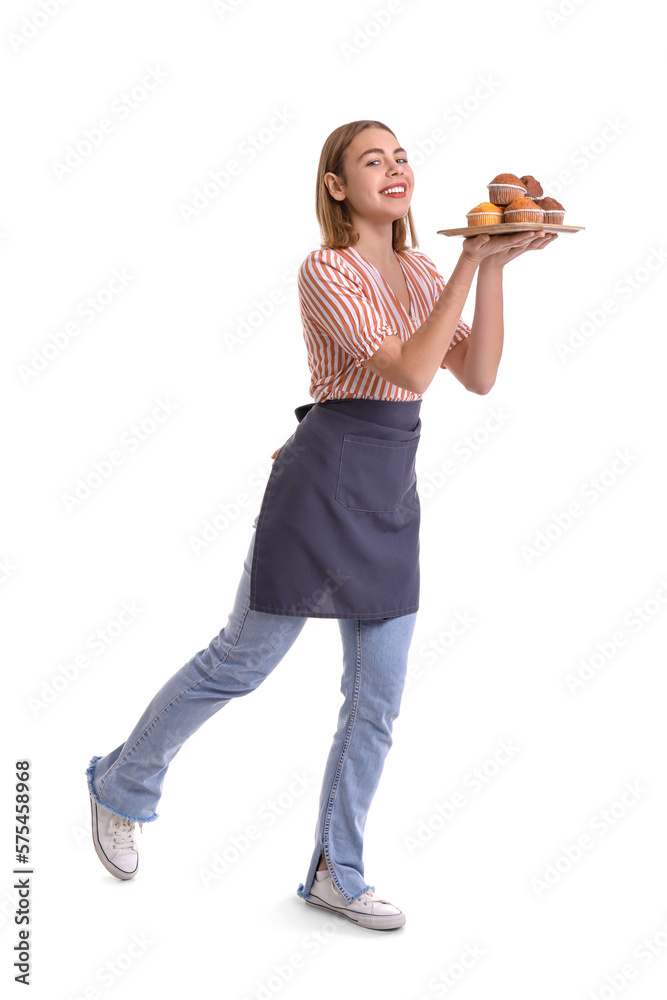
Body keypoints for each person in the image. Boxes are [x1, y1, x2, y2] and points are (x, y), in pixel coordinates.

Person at [85, 119, 556, 932]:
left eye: (401, 155)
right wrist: (469, 263)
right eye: (372, 160)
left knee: (376, 700)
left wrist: (493, 270)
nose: (394, 168)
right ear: (338, 186)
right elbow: (409, 370)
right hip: (319, 481)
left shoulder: (419, 267)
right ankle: (120, 785)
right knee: (241, 662)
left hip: (390, 490)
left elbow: (475, 378)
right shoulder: (326, 269)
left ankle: (336, 872)